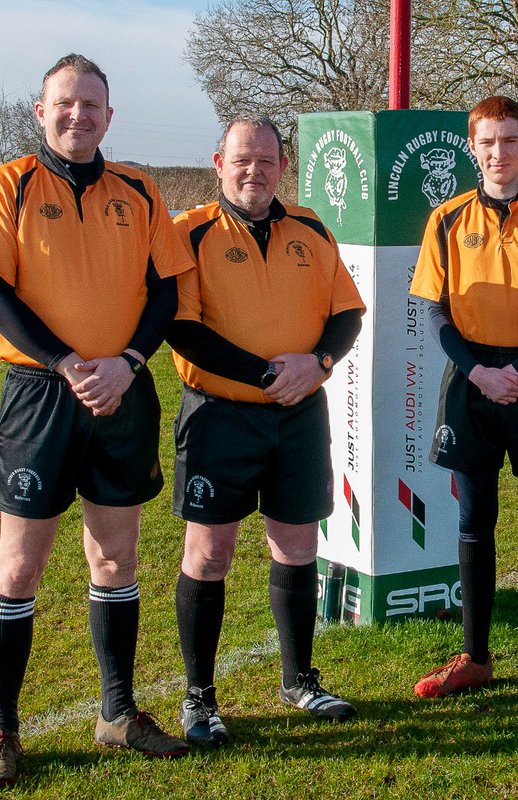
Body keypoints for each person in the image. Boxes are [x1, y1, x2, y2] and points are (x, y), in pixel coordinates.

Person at [0, 53, 194, 788]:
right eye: (65, 104)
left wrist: (127, 361)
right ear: (42, 112)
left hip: (122, 392)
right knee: (21, 565)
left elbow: (164, 292)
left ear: (108, 115)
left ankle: (118, 712)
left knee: (115, 561)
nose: (78, 116)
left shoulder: (140, 190)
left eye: (91, 106)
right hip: (41, 395)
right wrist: (69, 363)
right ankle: (3, 727)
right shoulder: (8, 186)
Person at [165, 114, 365, 745]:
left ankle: (300, 678)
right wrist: (263, 372)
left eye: (267, 160)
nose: (254, 171)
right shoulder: (187, 232)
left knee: (297, 545)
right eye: (241, 160)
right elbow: (182, 328)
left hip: (300, 413)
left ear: (285, 166)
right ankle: (199, 697)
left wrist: (319, 363)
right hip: (219, 415)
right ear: (218, 162)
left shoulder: (311, 227)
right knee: (209, 552)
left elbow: (348, 313)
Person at [407, 96, 518, 706]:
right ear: (472, 147)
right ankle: (475, 657)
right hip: (472, 384)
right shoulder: (447, 218)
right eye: (487, 142)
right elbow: (435, 307)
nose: (499, 153)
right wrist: (479, 372)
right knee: (473, 522)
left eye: (510, 140)